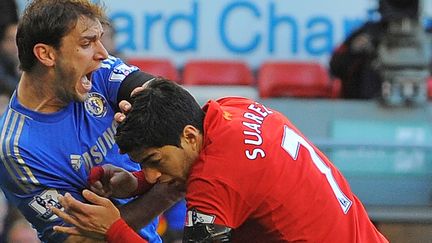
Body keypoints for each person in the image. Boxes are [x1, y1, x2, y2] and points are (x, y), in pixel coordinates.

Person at [51, 78, 389, 242]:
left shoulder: (215, 183)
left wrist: (115, 229)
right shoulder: (230, 108)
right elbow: (233, 175)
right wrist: (137, 181)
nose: (152, 175)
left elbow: (221, 180)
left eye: (154, 160)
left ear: (188, 136)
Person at [0, 0, 182, 242]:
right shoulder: (17, 149)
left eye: (99, 39)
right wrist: (170, 191)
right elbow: (83, 238)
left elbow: (166, 99)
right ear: (46, 54)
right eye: (86, 43)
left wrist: (137, 182)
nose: (103, 53)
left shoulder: (100, 72)